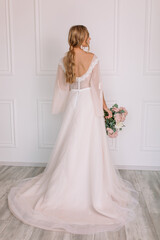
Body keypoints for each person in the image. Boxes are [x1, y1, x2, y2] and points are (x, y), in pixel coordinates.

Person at [8, 25, 139, 235]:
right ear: (81, 38)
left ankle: (64, 187)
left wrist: (62, 106)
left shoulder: (64, 60)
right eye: (87, 35)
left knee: (70, 145)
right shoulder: (93, 58)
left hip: (74, 105)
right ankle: (89, 188)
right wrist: (105, 109)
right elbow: (97, 88)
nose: (90, 38)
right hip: (89, 105)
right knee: (88, 146)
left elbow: (62, 88)